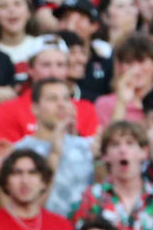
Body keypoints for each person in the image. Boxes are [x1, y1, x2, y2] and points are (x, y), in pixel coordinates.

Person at [12, 77, 95, 218]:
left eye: (65, 98)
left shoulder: (88, 146)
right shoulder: (20, 151)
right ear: (35, 108)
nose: (61, 104)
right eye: (52, 99)